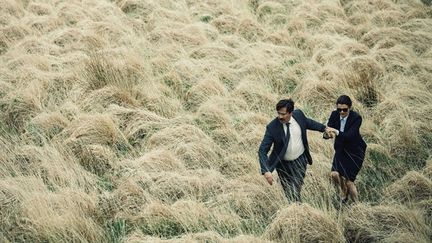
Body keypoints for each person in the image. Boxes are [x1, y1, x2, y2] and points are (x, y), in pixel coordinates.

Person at [258, 98, 329, 202]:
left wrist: (324, 128)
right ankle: (296, 210)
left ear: (291, 113)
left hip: (300, 160)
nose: (280, 117)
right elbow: (262, 150)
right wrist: (266, 170)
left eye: (283, 114)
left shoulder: (299, 115)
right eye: (278, 113)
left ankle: (297, 210)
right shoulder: (272, 127)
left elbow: (308, 122)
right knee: (288, 192)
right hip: (283, 165)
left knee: (295, 189)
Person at [324, 95, 367, 203]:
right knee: (334, 174)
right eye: (339, 109)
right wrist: (327, 134)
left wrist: (336, 132)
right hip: (341, 150)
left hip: (355, 152)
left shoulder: (356, 118)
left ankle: (357, 205)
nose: (342, 112)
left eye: (344, 110)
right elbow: (329, 130)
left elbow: (350, 135)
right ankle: (343, 191)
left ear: (350, 108)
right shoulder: (334, 115)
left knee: (349, 181)